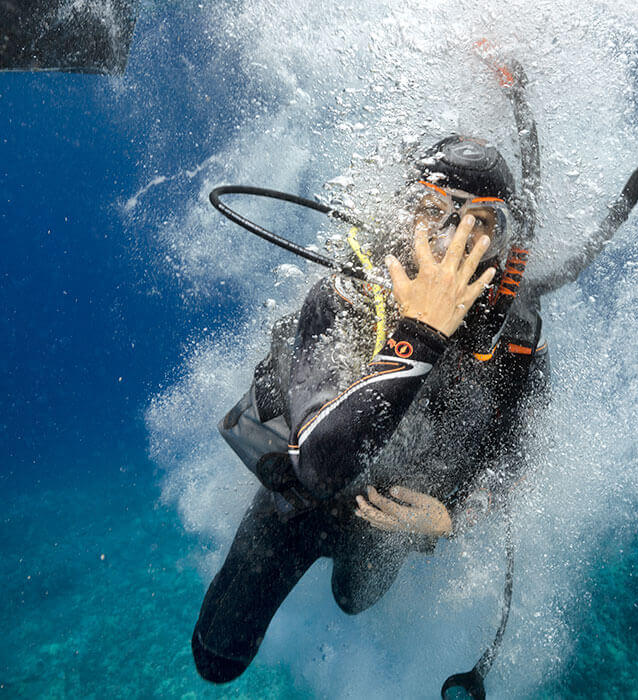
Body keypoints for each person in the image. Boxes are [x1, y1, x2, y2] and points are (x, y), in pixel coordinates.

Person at [191, 135, 552, 683]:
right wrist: (423, 332)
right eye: (434, 210)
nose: (453, 239)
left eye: (479, 221)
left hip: (389, 517)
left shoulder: (517, 333)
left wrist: (455, 518)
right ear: (406, 213)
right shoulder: (347, 297)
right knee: (216, 658)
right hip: (296, 507)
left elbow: (523, 449)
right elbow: (313, 467)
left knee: (351, 599)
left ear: (504, 240)